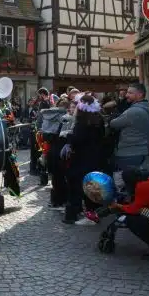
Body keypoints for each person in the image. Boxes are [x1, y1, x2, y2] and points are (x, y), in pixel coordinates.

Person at [62, 95, 105, 225]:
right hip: (95, 157)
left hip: (81, 158)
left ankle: (73, 215)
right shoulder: (98, 120)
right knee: (92, 187)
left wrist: (68, 136)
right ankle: (93, 213)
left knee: (76, 186)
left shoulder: (82, 123)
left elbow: (77, 140)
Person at [109, 83, 149, 171]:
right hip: (140, 150)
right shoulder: (147, 108)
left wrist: (114, 114)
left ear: (140, 94)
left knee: (124, 182)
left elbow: (113, 123)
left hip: (128, 153)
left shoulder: (133, 111)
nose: (126, 95)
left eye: (130, 93)